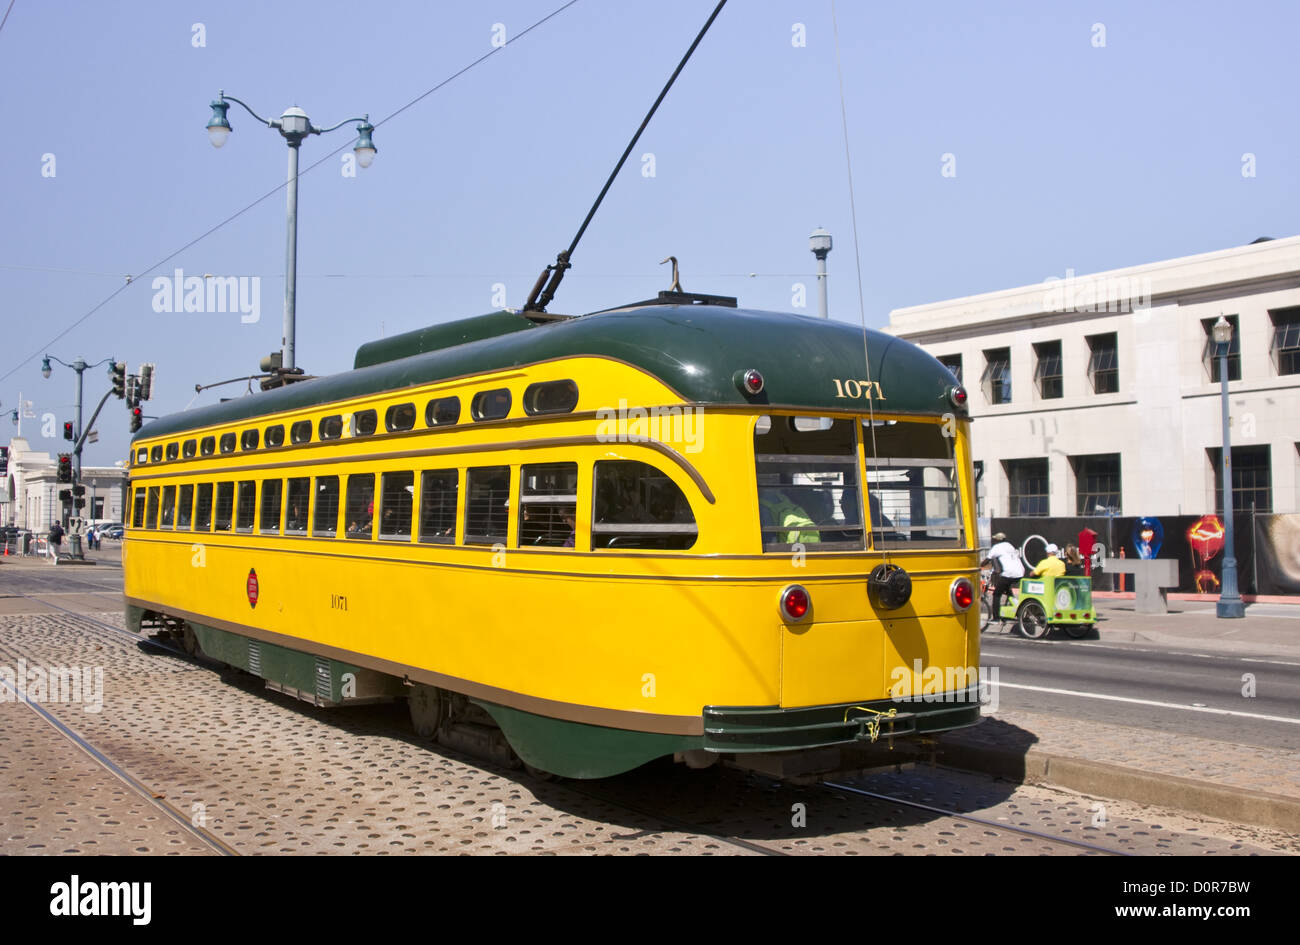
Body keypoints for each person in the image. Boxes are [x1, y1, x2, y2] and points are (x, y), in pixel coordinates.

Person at [980, 531, 1024, 621]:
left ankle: (996, 618)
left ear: (997, 540)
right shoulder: (1009, 545)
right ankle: (1017, 611)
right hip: (1020, 572)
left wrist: (978, 566)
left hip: (1009, 573)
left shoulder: (996, 547)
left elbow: (987, 560)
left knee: (996, 594)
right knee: (1006, 589)